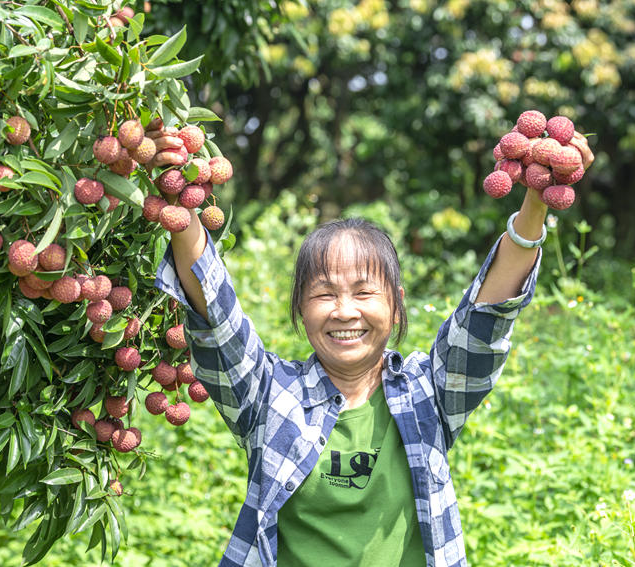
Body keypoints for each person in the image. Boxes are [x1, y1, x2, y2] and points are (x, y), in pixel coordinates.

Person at [154, 135, 594, 567]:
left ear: (397, 308)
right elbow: (215, 316)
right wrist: (177, 184)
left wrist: (537, 200)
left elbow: (486, 318)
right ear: (301, 312)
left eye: (365, 292)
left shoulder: (430, 393)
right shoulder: (269, 396)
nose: (345, 311)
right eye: (325, 295)